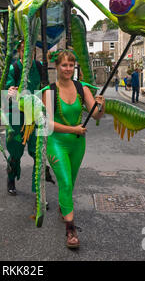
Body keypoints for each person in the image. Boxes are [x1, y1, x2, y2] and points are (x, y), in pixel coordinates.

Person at [42, 49, 105, 248]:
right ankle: (71, 230)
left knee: (70, 182)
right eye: (64, 65)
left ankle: (64, 206)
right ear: (57, 66)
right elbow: (49, 124)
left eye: (71, 65)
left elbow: (95, 116)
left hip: (78, 144)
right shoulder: (49, 92)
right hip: (56, 142)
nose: (68, 69)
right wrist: (73, 129)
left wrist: (100, 106)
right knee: (66, 182)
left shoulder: (82, 88)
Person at [4, 40, 49, 195]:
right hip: (17, 116)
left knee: (38, 152)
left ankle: (38, 191)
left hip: (35, 115)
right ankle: (11, 178)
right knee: (15, 152)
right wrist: (9, 93)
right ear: (19, 51)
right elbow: (5, 94)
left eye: (31, 50)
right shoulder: (14, 69)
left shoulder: (39, 67)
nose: (28, 54)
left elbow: (45, 89)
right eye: (24, 50)